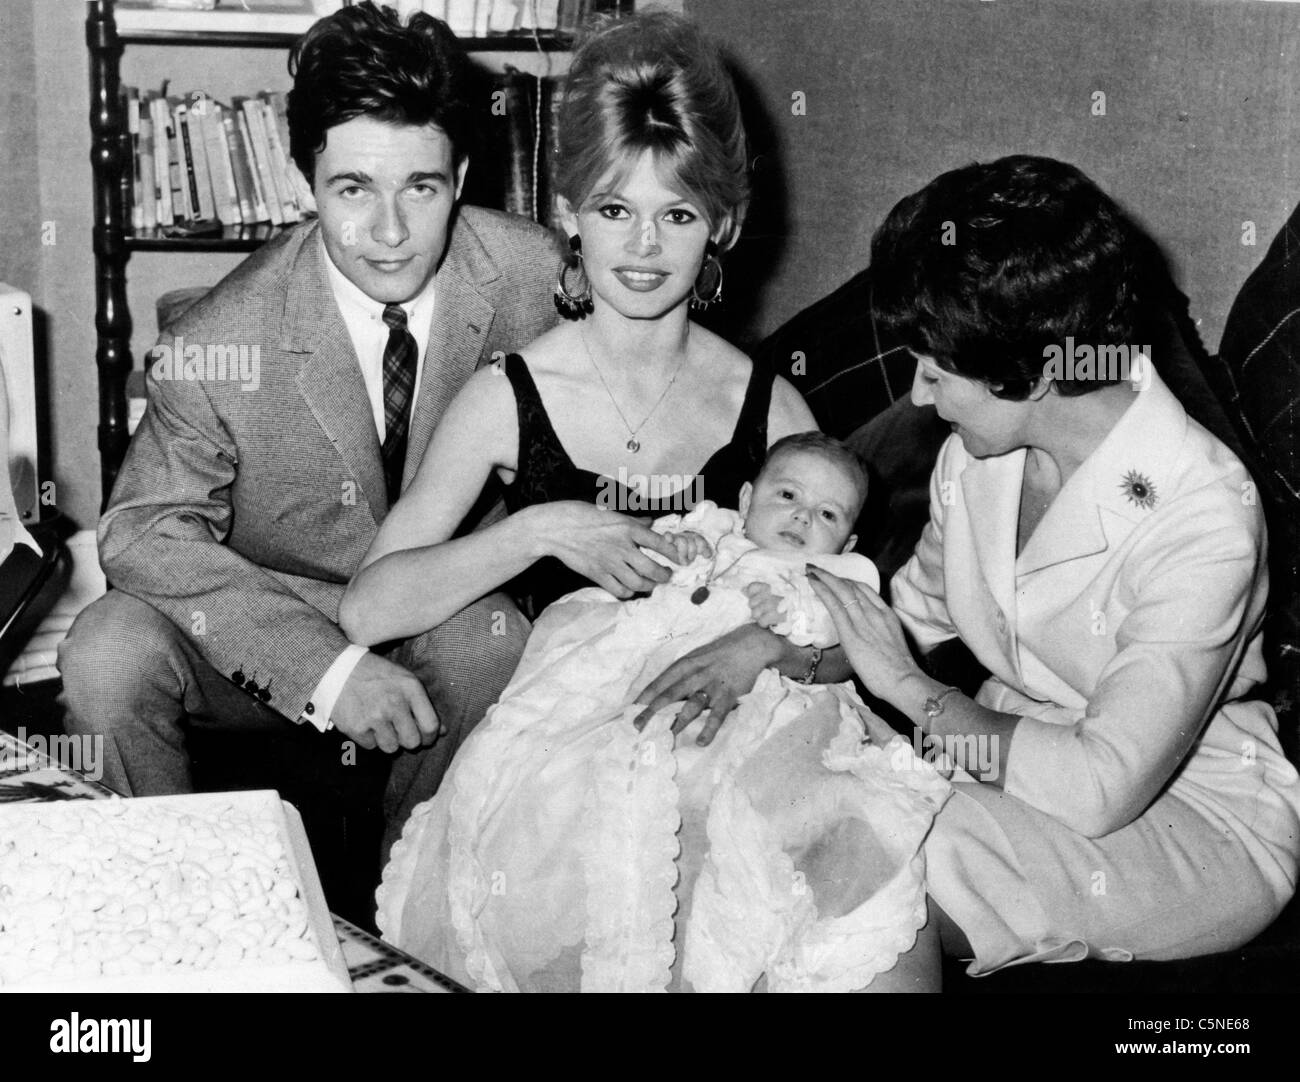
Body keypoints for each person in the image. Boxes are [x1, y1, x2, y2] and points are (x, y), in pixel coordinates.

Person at [57, 2, 559, 844]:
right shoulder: (215, 339)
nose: (391, 233)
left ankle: (417, 913)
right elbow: (144, 533)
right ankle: (175, 900)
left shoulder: (535, 276)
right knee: (107, 649)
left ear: (463, 176)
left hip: (444, 609)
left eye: (421, 188)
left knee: (489, 642)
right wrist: (324, 667)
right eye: (353, 189)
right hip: (262, 626)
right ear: (304, 185)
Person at [806, 155, 1300, 980]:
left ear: (1036, 370)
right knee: (788, 813)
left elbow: (1097, 786)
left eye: (936, 370)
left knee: (875, 857)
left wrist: (910, 693)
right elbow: (902, 615)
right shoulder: (978, 455)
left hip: (1187, 812)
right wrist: (772, 641)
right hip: (1001, 762)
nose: (920, 398)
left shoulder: (1205, 511)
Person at [339, 11, 822, 733]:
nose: (645, 246)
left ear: (724, 224)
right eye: (616, 208)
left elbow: (850, 623)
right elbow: (368, 609)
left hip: (739, 751)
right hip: (559, 761)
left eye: (680, 216)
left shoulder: (774, 410)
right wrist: (539, 530)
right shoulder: (506, 399)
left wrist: (762, 647)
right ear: (569, 214)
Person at [376, 433, 949, 992]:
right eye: (787, 497)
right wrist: (678, 554)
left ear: (848, 544)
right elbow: (644, 563)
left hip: (765, 701)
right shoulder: (711, 532)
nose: (802, 519)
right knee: (554, 773)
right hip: (646, 668)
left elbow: (839, 636)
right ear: (746, 500)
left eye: (827, 514)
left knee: (703, 792)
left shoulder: (829, 578)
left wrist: (793, 614)